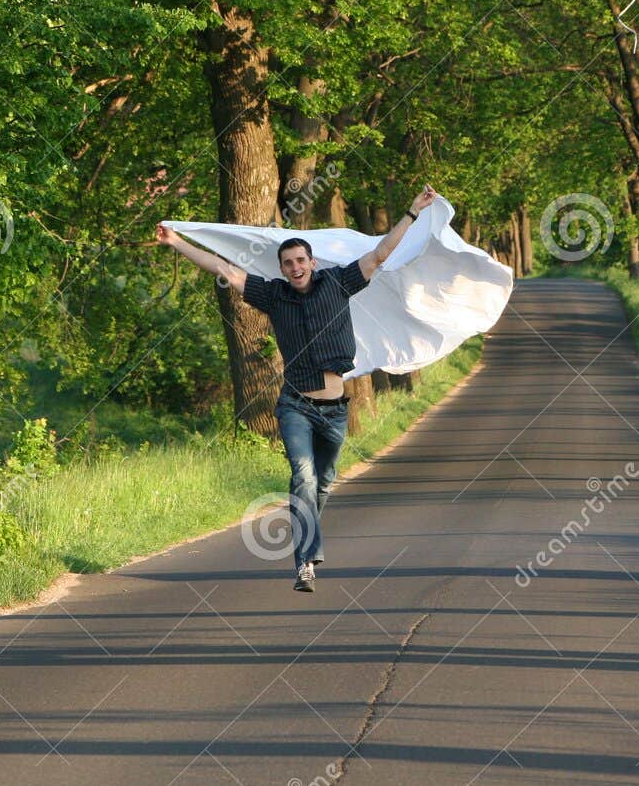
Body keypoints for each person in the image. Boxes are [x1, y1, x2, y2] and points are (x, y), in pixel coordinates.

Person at [155, 183, 438, 591]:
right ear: (282, 268)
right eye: (287, 263)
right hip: (295, 405)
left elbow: (380, 254)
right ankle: (305, 562)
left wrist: (412, 210)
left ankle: (307, 529)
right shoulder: (273, 296)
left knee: (322, 482)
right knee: (302, 476)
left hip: (337, 407)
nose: (294, 267)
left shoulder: (339, 283)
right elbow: (225, 270)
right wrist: (177, 241)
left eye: (300, 260)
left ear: (312, 261)